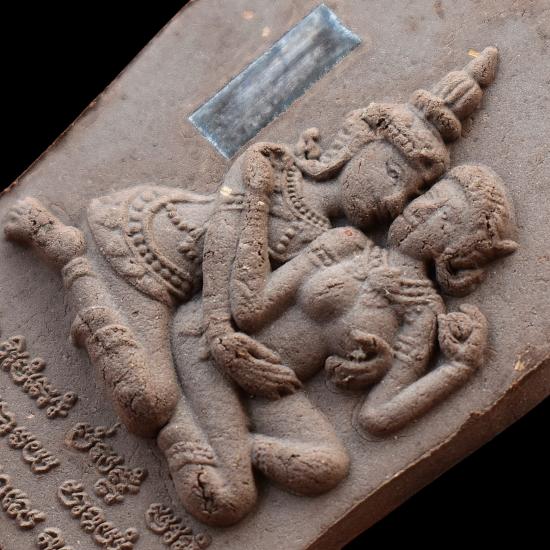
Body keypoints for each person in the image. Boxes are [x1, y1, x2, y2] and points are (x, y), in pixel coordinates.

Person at [3, 49, 501, 526]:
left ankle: (212, 437)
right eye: (397, 177)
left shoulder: (386, 280)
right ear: (363, 144)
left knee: (242, 496)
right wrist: (223, 335)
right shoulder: (273, 171)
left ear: (458, 249)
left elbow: (377, 409)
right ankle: (70, 257)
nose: (400, 203)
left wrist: (445, 366)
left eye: (418, 195)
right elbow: (236, 283)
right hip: (146, 255)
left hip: (251, 368)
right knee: (147, 403)